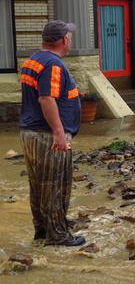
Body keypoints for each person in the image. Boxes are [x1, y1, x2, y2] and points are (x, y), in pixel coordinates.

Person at [19, 20, 85, 246]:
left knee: (39, 185)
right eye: (70, 37)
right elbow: (46, 99)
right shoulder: (53, 65)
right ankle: (57, 235)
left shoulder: (33, 60)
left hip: (30, 133)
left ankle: (42, 230)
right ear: (64, 40)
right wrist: (59, 132)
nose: (71, 40)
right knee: (54, 185)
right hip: (48, 135)